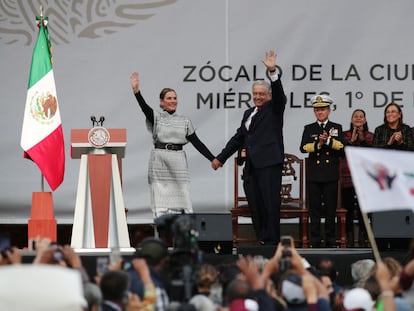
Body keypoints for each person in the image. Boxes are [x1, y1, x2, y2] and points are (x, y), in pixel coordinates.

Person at [211, 50, 287, 245]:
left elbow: (280, 95)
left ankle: (272, 243)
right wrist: (221, 158)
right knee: (256, 205)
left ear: (269, 95)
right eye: (255, 94)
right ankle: (262, 239)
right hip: (251, 166)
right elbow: (239, 138)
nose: (258, 97)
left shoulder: (274, 108)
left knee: (270, 204)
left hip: (269, 164)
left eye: (262, 94)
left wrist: (272, 72)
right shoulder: (248, 113)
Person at [130, 72, 215, 218]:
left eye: (175, 98)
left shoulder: (185, 121)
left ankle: (186, 231)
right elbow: (144, 108)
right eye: (169, 98)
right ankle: (161, 231)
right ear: (162, 102)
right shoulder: (156, 117)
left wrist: (213, 159)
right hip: (160, 160)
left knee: (183, 194)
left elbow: (197, 142)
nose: (173, 101)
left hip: (178, 160)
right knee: (161, 198)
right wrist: (137, 92)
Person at [299, 94, 344, 248]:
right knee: (315, 210)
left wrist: (329, 141)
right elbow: (303, 148)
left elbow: (342, 148)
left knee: (331, 209)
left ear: (329, 111)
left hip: (330, 174)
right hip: (315, 174)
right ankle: (315, 240)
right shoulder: (309, 128)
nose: (320, 112)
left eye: (323, 109)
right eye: (317, 110)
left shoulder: (336, 127)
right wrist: (318, 144)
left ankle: (331, 240)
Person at [340, 109, 374, 247]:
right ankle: (348, 237)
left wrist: (362, 140)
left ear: (365, 120)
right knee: (347, 209)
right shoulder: (344, 135)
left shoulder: (371, 136)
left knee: (364, 210)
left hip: (365, 179)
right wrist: (352, 141)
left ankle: (363, 237)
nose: (358, 118)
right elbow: (341, 152)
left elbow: (372, 153)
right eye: (356, 116)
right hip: (348, 179)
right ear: (351, 119)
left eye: (361, 116)